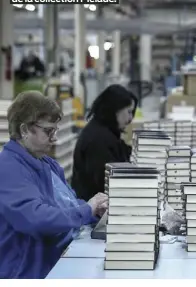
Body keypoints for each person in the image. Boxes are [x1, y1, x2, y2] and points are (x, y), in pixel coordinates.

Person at [0, 91, 108, 279]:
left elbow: (67, 204)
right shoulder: (8, 169)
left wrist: (95, 211)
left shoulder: (46, 163)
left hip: (52, 264)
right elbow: (36, 218)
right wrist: (86, 210)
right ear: (25, 130)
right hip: (25, 274)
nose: (55, 138)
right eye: (49, 131)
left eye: (56, 131)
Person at [71, 84, 138, 201]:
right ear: (115, 110)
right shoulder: (98, 140)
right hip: (94, 213)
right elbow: (105, 183)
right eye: (128, 112)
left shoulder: (104, 132)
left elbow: (124, 152)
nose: (130, 118)